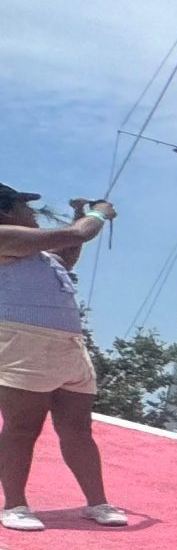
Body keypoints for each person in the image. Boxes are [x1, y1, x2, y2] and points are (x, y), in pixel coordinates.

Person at [0, 184, 125, 532]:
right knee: (22, 428)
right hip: (22, 344)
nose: (33, 214)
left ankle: (97, 502)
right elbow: (77, 234)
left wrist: (79, 217)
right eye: (27, 208)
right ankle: (15, 504)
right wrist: (97, 214)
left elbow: (66, 252)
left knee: (78, 429)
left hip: (67, 346)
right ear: (7, 211)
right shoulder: (3, 238)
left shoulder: (33, 252)